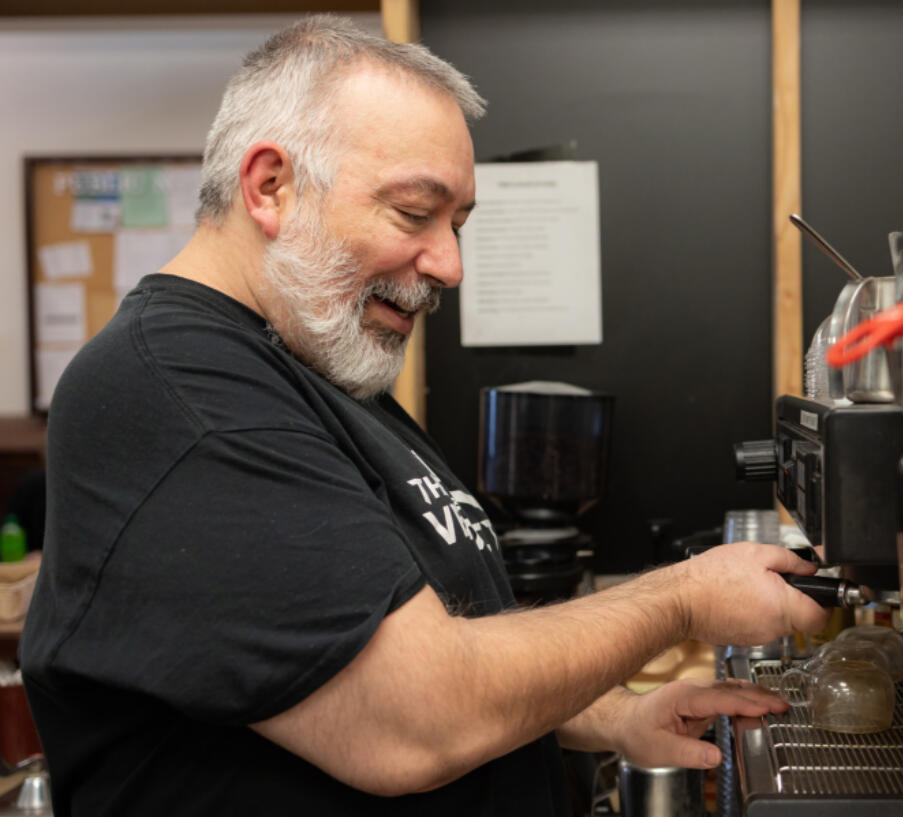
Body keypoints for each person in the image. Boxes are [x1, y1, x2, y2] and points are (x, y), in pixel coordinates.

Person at [18, 15, 828, 816]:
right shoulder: (179, 390)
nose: (449, 265)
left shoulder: (326, 368)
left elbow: (429, 648)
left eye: (459, 224)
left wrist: (615, 715)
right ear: (270, 186)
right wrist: (681, 599)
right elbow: (418, 717)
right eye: (414, 213)